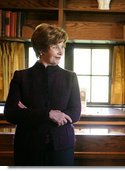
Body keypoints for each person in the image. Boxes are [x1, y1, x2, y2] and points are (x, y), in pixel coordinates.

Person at [4, 23, 81, 166]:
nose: (61, 52)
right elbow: (11, 113)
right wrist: (48, 114)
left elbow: (75, 113)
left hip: (62, 148)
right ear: (41, 48)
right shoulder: (21, 77)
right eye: (55, 47)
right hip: (28, 148)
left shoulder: (70, 77)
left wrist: (28, 112)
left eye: (62, 46)